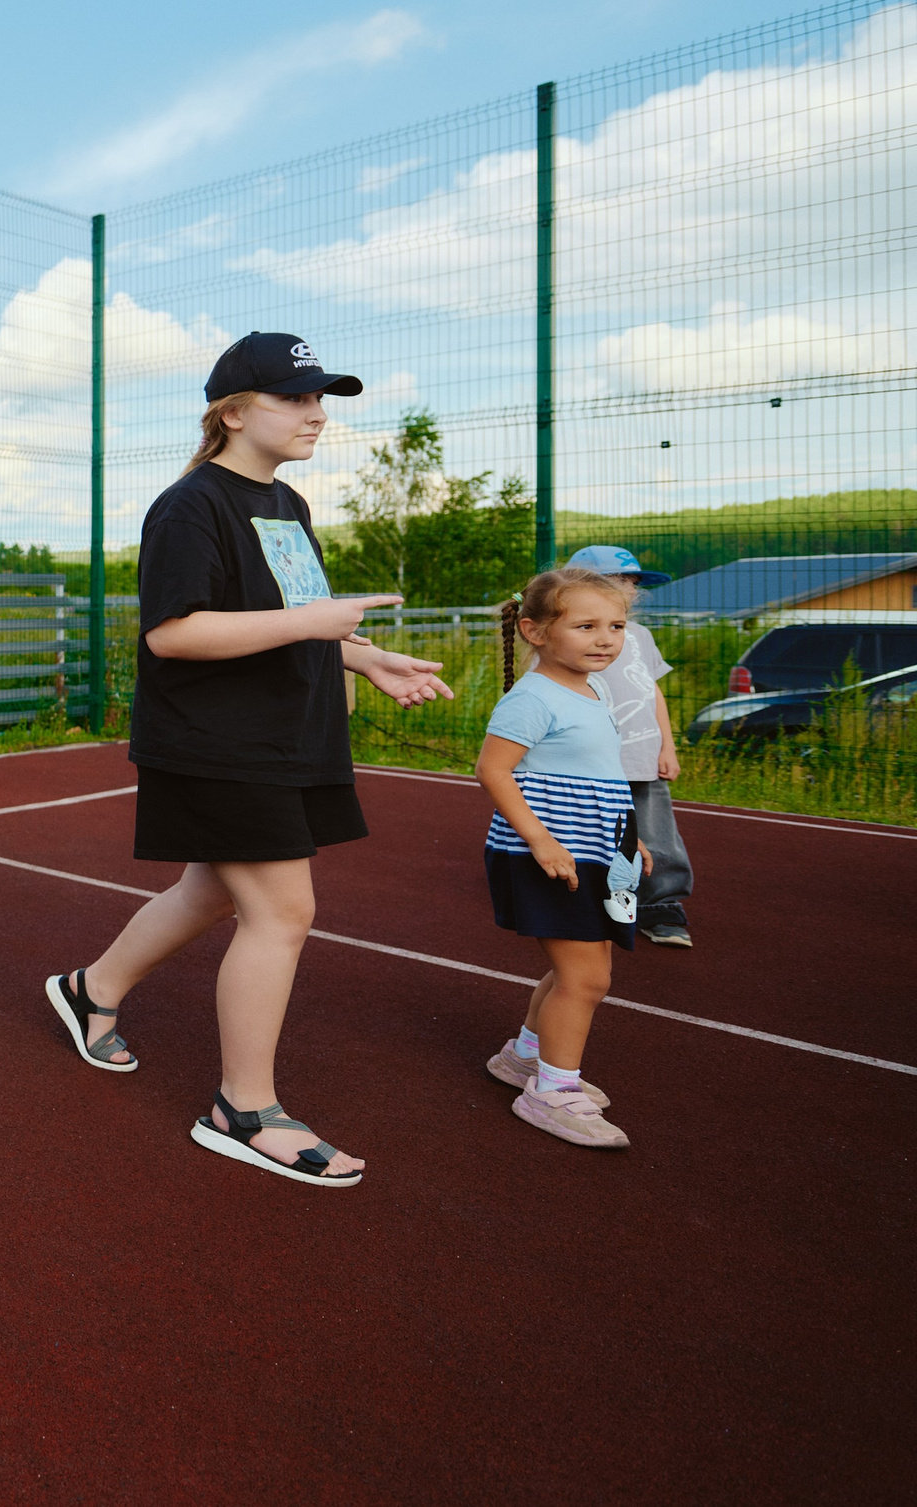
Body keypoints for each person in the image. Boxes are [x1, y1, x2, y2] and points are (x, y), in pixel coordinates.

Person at [41, 332, 454, 1189]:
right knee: (283, 909)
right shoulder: (190, 507)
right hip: (217, 742)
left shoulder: (287, 504)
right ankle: (244, 1110)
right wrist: (313, 623)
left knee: (212, 890)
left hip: (284, 735)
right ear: (232, 412)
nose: (316, 414)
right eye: (295, 398)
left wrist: (366, 657)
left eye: (320, 398)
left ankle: (92, 988)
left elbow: (296, 615)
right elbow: (174, 633)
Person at [478, 568, 649, 1149]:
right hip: (552, 854)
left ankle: (526, 1057)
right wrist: (541, 840)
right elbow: (493, 771)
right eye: (586, 626)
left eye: (617, 626)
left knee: (580, 967)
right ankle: (551, 1092)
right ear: (535, 631)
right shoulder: (532, 697)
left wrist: (629, 838)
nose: (605, 639)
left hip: (596, 851)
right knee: (587, 977)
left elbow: (598, 775)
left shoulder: (594, 690)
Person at [568, 544, 693, 947]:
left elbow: (651, 690)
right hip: (592, 758)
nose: (630, 588)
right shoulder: (567, 636)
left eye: (633, 581)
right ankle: (583, 893)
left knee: (656, 833)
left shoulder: (640, 635)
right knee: (589, 827)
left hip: (642, 755)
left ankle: (660, 904)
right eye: (619, 579)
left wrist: (667, 746)